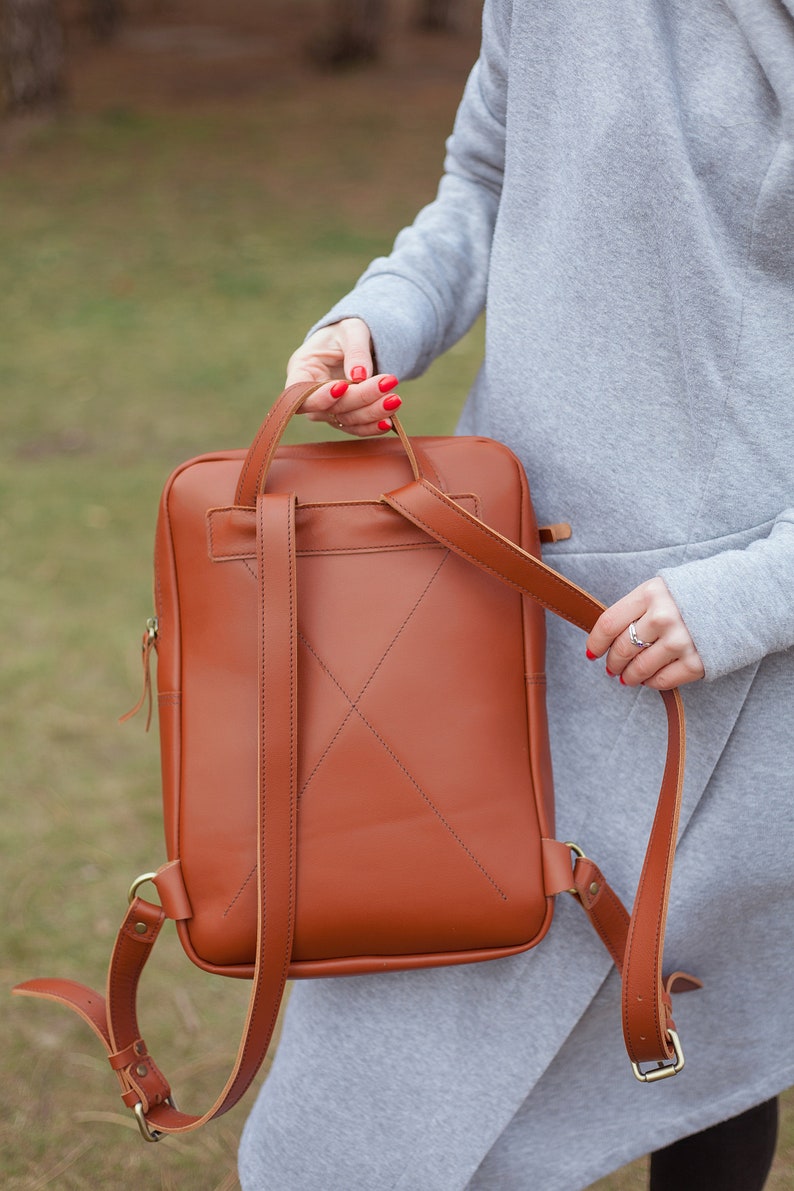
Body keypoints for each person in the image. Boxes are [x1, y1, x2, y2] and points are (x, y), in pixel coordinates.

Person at [238, 1, 794, 1187]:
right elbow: (487, 174)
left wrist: (749, 596)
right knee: (388, 1049)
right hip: (506, 579)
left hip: (736, 629)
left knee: (703, 1018)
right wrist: (377, 321)